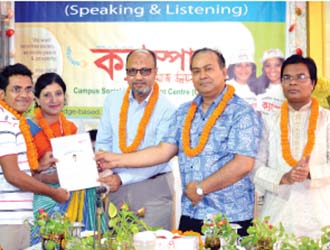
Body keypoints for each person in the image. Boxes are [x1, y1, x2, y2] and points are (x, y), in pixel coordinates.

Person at [95, 48, 262, 236]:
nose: (202, 76)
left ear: (224, 72)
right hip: (192, 211)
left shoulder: (242, 112)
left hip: (230, 216)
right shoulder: (184, 112)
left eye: (208, 69)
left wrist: (201, 188)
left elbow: (243, 163)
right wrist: (116, 160)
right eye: (196, 71)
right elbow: (162, 151)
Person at [96, 48, 176, 230]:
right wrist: (106, 174)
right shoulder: (113, 101)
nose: (138, 77)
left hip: (152, 189)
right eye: (132, 71)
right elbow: (103, 143)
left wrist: (122, 178)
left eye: (145, 71)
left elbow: (160, 156)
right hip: (116, 190)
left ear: (155, 72)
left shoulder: (168, 109)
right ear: (126, 74)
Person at [252, 54, 330, 239]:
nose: (293, 83)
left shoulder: (326, 119)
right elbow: (255, 167)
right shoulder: (268, 121)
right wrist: (284, 177)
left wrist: (310, 173)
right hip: (277, 217)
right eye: (287, 78)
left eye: (300, 77)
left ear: (313, 83)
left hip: (320, 218)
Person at [27, 72, 107, 245]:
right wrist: (47, 175)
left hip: (76, 192)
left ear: (65, 96)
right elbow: (22, 173)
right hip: (44, 194)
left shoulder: (72, 127)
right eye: (46, 95)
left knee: (82, 241)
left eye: (58, 93)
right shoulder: (27, 128)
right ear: (37, 99)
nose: (53, 99)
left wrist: (92, 167)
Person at [0, 64, 69, 249]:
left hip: (18, 217)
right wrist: (53, 192)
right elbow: (13, 175)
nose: (24, 95)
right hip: (7, 219)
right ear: (1, 94)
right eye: (16, 89)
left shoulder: (15, 122)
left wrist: (39, 165)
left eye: (28, 89)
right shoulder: (4, 124)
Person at [255, 48, 286, 115]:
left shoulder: (289, 89)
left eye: (277, 65)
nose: (272, 69)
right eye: (268, 65)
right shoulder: (258, 89)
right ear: (263, 68)